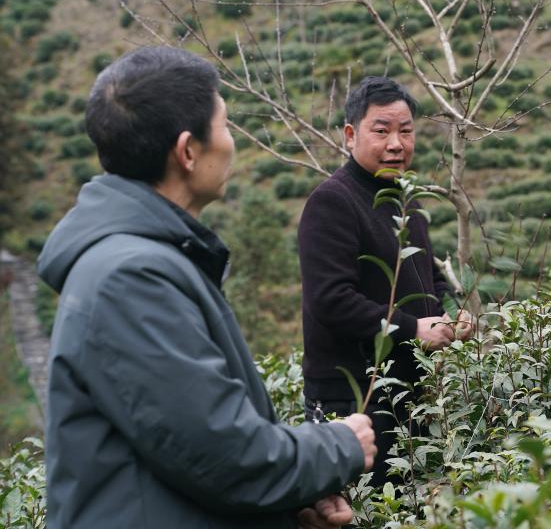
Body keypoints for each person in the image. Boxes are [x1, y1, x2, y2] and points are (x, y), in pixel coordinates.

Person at [38, 46, 376, 529]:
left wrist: (285, 509)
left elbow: (172, 455)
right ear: (188, 151)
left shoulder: (150, 260)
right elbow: (222, 454)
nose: (232, 141)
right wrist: (338, 446)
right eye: (224, 125)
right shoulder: (130, 278)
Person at [298, 76, 471, 487]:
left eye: (406, 131)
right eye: (382, 131)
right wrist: (413, 329)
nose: (396, 143)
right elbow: (332, 301)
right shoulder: (333, 201)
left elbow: (429, 279)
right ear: (350, 134)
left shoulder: (404, 200)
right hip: (353, 398)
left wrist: (453, 314)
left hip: (409, 395)